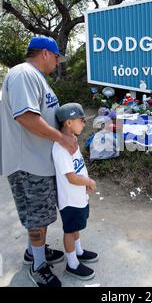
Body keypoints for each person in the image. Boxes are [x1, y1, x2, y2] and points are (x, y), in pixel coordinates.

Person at [0, 36, 78, 287]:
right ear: (45, 53)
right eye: (56, 57)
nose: (57, 62)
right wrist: (62, 139)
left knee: (38, 215)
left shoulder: (35, 77)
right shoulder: (23, 74)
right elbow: (27, 117)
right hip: (27, 163)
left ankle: (34, 251)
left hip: (37, 161)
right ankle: (38, 266)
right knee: (37, 217)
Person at [53, 103, 98, 280]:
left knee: (77, 226)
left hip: (79, 195)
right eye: (81, 120)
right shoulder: (60, 148)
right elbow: (71, 177)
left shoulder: (72, 141)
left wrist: (85, 184)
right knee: (70, 230)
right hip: (70, 199)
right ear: (69, 123)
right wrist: (88, 181)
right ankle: (72, 264)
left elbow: (78, 167)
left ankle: (78, 251)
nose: (84, 124)